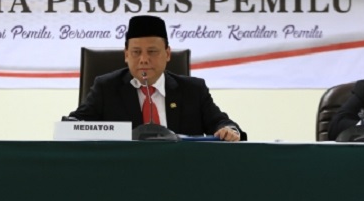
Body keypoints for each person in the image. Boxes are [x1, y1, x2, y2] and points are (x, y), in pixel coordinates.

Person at [67, 15, 244, 141]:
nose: (144, 59)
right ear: (126, 55)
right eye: (136, 52)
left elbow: (222, 123)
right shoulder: (106, 88)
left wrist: (228, 130)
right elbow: (74, 125)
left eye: (152, 51)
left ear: (167, 54)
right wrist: (69, 126)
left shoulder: (193, 90)